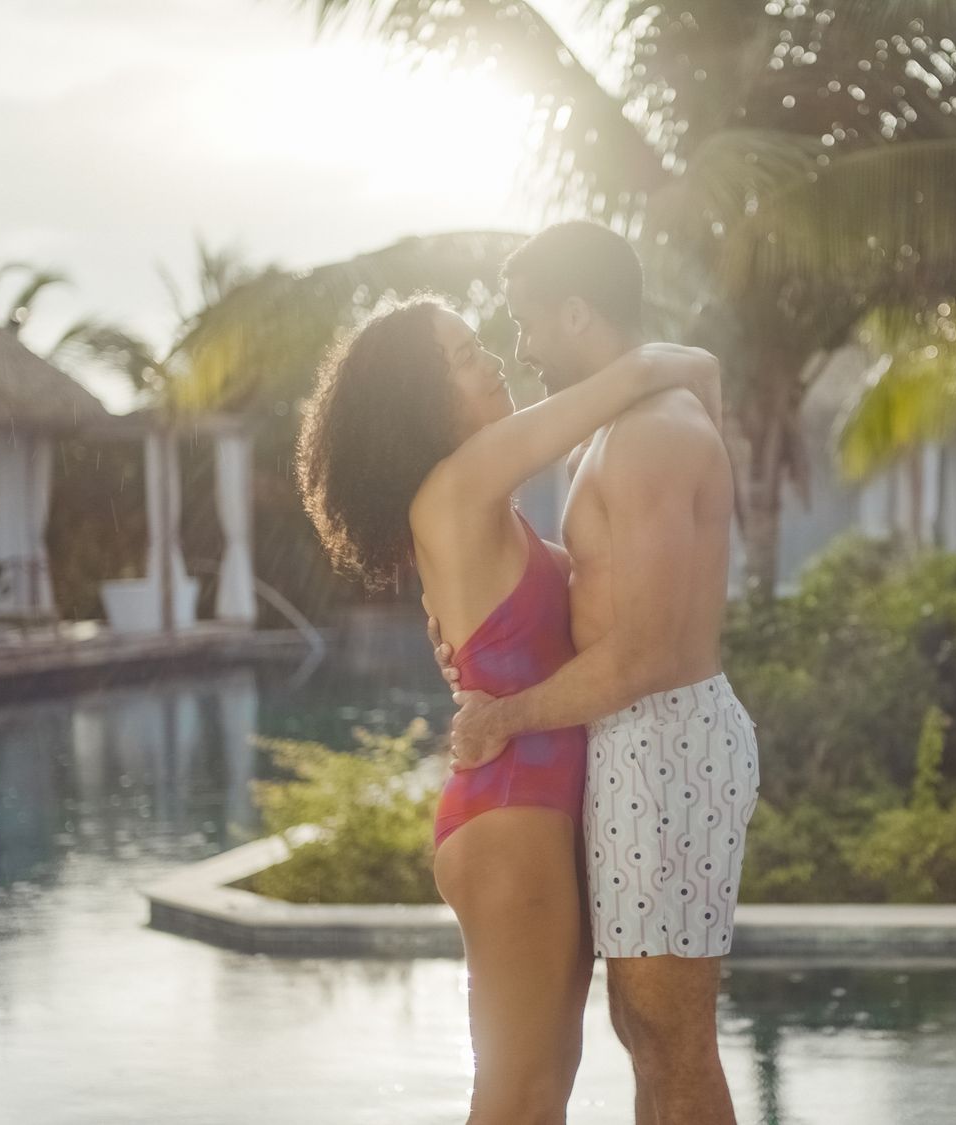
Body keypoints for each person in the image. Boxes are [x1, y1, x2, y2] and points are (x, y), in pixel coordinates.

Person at [296, 294, 718, 1125]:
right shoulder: (457, 485)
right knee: (521, 1097)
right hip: (509, 819)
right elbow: (633, 374)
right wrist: (700, 381)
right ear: (423, 398)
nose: (489, 360)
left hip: (525, 815)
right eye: (461, 357)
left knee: (540, 1089)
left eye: (478, 343)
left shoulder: (489, 510)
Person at [435, 221, 759, 1125]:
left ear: (576, 311)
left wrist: (506, 716)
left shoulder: (651, 434)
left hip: (668, 741)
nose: (525, 349)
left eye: (530, 324)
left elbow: (649, 649)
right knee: (646, 1032)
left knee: (671, 1038)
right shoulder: (618, 431)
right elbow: (604, 595)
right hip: (640, 743)